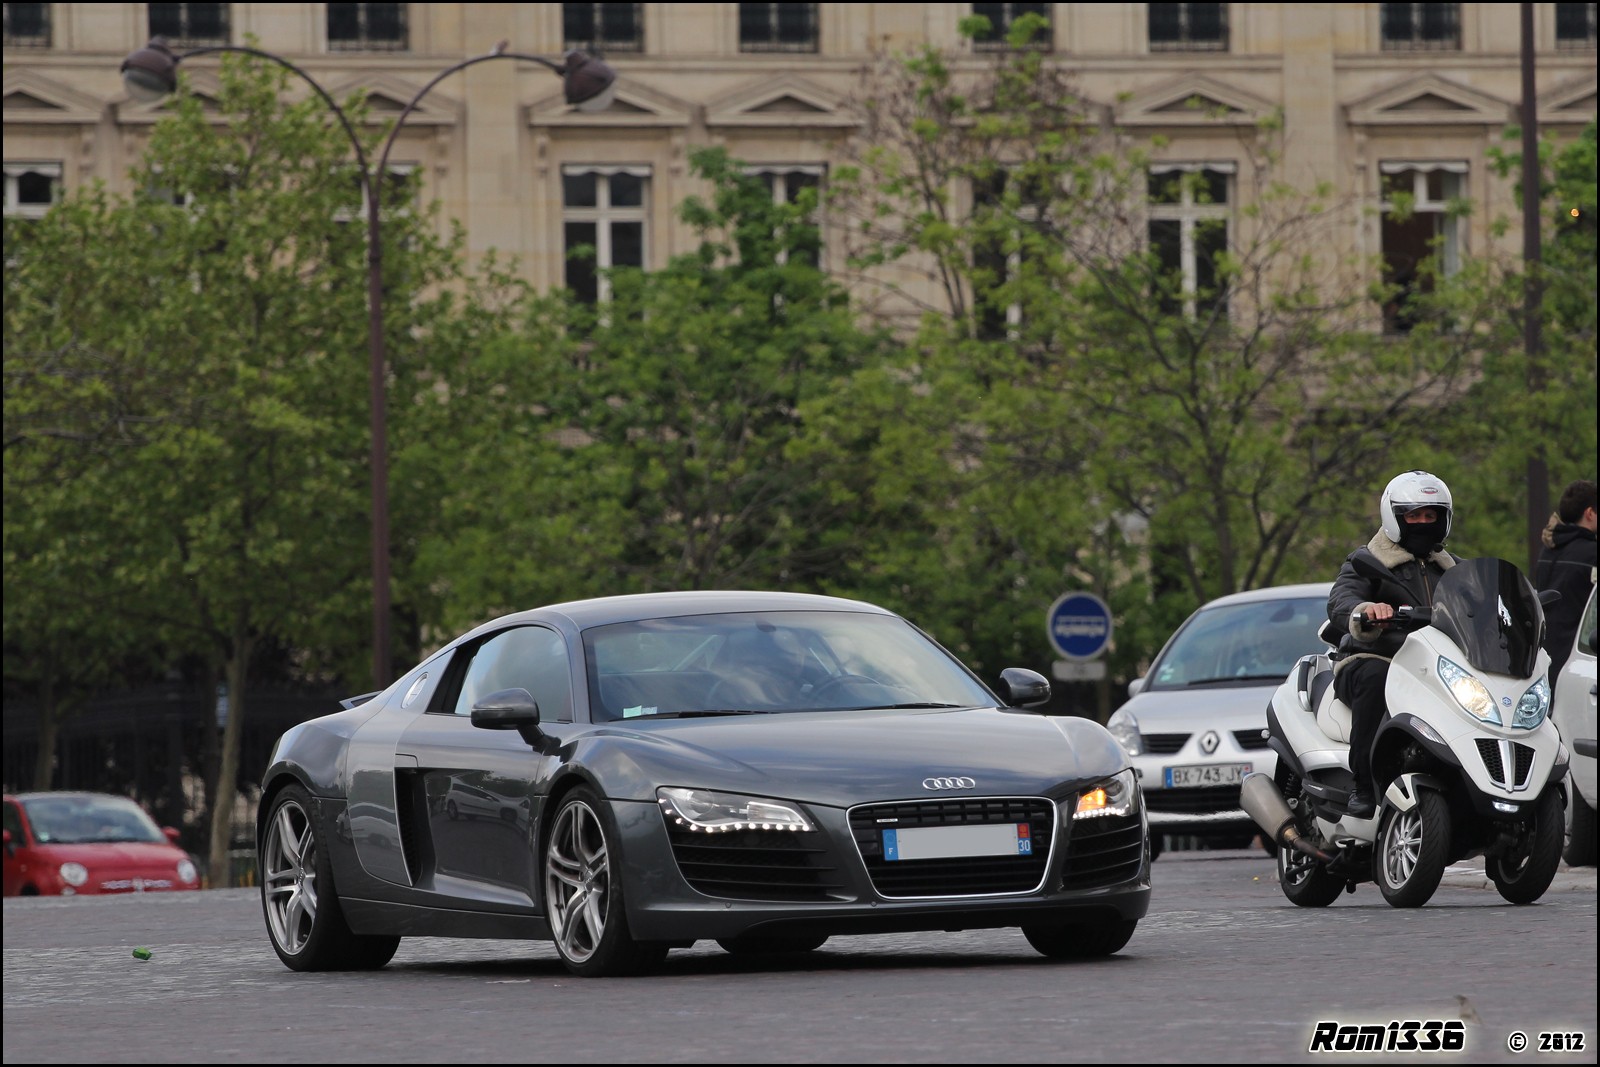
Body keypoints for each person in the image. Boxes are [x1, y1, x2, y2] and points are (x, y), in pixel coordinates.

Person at [1327, 470, 1461, 819]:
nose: (1422, 522)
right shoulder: (1367, 561)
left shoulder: (1451, 569)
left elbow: (1479, 600)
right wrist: (1366, 610)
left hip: (1430, 667)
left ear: (1443, 519)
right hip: (1374, 657)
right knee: (1374, 677)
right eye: (1413, 515)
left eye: (1430, 515)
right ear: (1395, 517)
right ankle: (1362, 785)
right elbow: (1342, 599)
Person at [1536, 479, 1598, 690]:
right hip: (1579, 664)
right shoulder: (1591, 554)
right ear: (1589, 513)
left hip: (1543, 660)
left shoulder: (1548, 549)